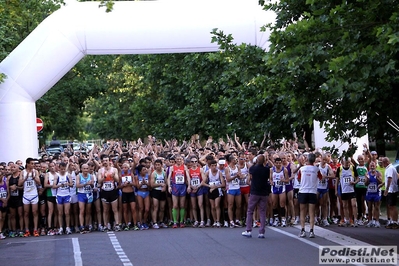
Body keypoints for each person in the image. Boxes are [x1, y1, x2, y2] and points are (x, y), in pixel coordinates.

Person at [241, 154, 270, 238]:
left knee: (250, 211)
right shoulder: (267, 170)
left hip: (254, 191)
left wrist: (255, 162)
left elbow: (250, 174)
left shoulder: (253, 168)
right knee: (262, 212)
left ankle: (248, 230)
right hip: (264, 192)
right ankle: (261, 232)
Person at [297, 153, 322, 238]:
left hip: (303, 191)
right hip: (312, 191)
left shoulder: (302, 168)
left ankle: (303, 230)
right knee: (312, 212)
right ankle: (311, 231)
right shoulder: (316, 169)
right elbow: (321, 178)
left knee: (302, 211)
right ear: (314, 160)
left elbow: (298, 178)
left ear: (307, 159)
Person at [18, 158, 41, 237]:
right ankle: (27, 230)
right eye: (31, 163)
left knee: (35, 212)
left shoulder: (35, 171)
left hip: (34, 194)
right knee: (26, 213)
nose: (33, 165)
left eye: (33, 164)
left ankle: (35, 229)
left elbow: (39, 183)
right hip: (26, 195)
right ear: (27, 164)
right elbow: (19, 184)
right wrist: (26, 177)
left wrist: (34, 177)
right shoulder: (22, 172)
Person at [98, 154, 121, 231]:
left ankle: (117, 224)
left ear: (109, 161)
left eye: (106, 160)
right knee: (105, 210)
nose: (105, 162)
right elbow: (98, 181)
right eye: (103, 161)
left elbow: (117, 180)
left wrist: (113, 176)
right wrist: (104, 177)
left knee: (115, 209)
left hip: (112, 191)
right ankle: (105, 225)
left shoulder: (114, 170)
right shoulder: (100, 170)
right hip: (104, 191)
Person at [202, 159, 225, 227]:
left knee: (217, 205)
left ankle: (218, 221)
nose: (214, 167)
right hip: (211, 189)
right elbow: (203, 182)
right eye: (212, 166)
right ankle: (214, 221)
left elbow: (223, 184)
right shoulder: (208, 172)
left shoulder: (219, 172)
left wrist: (215, 187)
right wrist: (209, 186)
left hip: (217, 189)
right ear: (210, 166)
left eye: (215, 165)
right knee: (212, 206)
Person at [168, 154, 189, 228]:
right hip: (175, 186)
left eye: (180, 159)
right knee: (175, 205)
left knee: (182, 205)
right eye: (177, 159)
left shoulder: (184, 167)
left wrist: (189, 186)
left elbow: (188, 177)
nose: (179, 160)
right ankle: (175, 221)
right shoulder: (172, 168)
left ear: (182, 160)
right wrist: (169, 186)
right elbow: (169, 177)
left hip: (182, 186)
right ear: (175, 160)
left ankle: (181, 221)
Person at [53, 162, 73, 235]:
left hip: (67, 195)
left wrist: (68, 184)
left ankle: (68, 227)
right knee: (60, 213)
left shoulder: (68, 175)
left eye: (64, 169)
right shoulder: (57, 175)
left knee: (67, 212)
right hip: (59, 195)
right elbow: (54, 186)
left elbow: (71, 184)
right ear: (59, 168)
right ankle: (61, 227)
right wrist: (59, 185)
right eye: (61, 169)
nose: (63, 170)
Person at [76, 163, 94, 233]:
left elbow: (93, 186)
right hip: (81, 194)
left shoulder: (91, 176)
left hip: (89, 194)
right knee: (82, 210)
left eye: (87, 168)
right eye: (84, 168)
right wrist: (86, 184)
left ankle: (87, 225)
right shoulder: (79, 176)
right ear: (81, 169)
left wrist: (91, 184)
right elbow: (77, 185)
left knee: (88, 211)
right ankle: (81, 225)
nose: (86, 170)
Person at [150, 159, 168, 229]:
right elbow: (152, 184)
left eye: (158, 165)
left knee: (162, 208)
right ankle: (154, 222)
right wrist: (160, 184)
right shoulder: (154, 173)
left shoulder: (164, 173)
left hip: (162, 192)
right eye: (156, 165)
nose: (157, 166)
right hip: (156, 191)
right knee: (155, 207)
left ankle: (161, 221)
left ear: (161, 165)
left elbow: (166, 182)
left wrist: (165, 187)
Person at [382, 157, 399, 229]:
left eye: (382, 162)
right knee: (390, 206)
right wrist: (382, 184)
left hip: (391, 190)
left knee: (392, 206)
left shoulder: (390, 168)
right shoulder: (391, 168)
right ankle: (393, 221)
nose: (382, 164)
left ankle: (395, 222)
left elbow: (389, 178)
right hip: (392, 189)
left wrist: (387, 189)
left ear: (386, 162)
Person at [365, 161, 382, 228]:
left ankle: (377, 221)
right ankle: (370, 221)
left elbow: (381, 182)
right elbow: (365, 184)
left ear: (375, 166)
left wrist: (377, 177)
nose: (372, 167)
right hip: (369, 193)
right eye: (371, 166)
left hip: (376, 193)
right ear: (369, 167)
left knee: (377, 207)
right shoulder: (367, 173)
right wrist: (368, 179)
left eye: (373, 165)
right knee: (369, 207)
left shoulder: (378, 173)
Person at [0, 172, 10, 239]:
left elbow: (8, 193)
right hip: (0, 202)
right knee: (0, 218)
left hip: (5, 202)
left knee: (3, 218)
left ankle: (0, 231)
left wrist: (6, 200)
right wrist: (2, 199)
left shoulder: (5, 182)